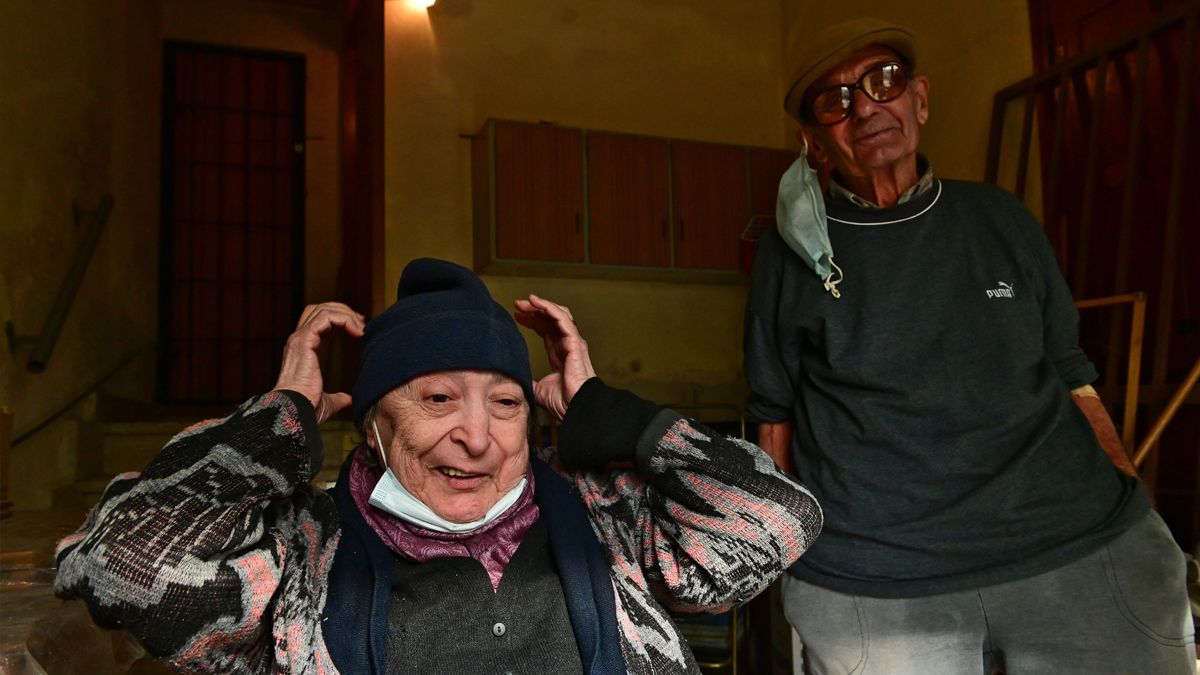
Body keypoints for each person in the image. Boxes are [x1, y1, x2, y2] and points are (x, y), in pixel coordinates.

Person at [55, 258, 822, 674]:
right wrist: (281, 414)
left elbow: (781, 518)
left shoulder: (605, 523)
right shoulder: (298, 558)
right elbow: (126, 567)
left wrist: (603, 406)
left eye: (507, 403)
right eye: (438, 398)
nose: (479, 437)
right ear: (375, 428)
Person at [744, 17, 1195, 675]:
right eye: (835, 101)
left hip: (1072, 542)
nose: (866, 106)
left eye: (884, 81)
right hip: (877, 575)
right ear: (812, 143)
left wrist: (1130, 496)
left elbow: (1072, 372)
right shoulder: (789, 259)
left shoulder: (999, 217)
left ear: (919, 100)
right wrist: (781, 556)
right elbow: (773, 412)